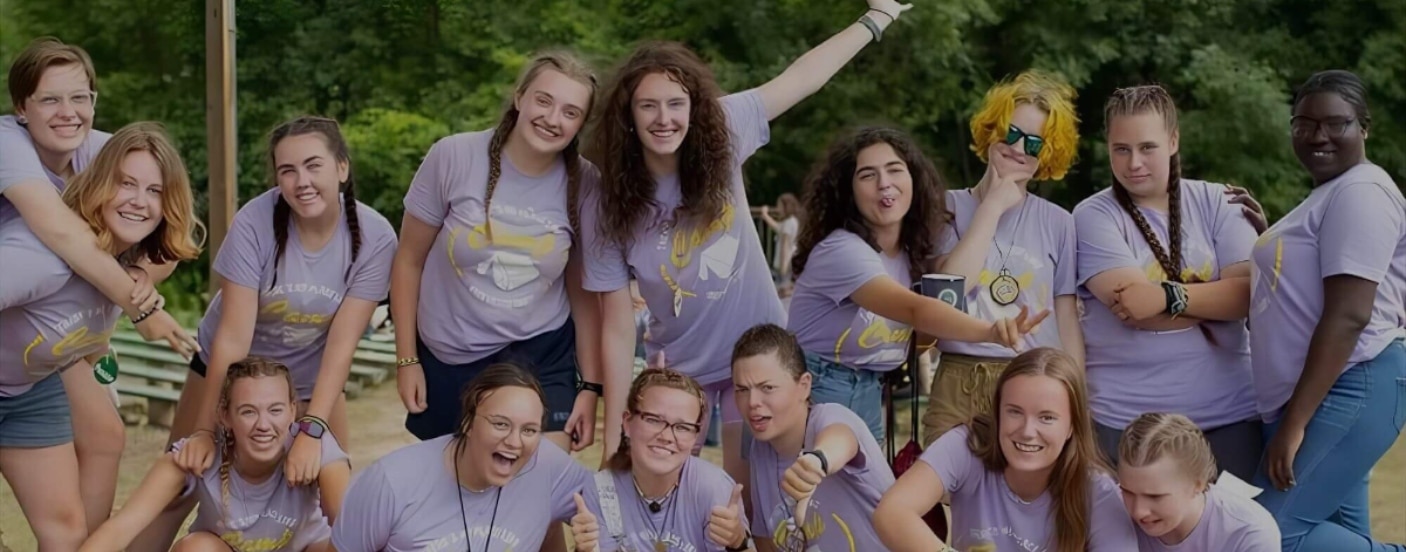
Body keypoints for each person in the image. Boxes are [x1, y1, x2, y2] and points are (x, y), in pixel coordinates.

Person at [583, 1, 917, 499]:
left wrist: (877, 19)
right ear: (628, 115)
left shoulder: (724, 129)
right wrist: (615, 435)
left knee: (749, 501)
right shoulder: (606, 198)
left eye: (676, 103)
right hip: (679, 371)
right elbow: (614, 323)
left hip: (756, 364)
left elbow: (802, 78)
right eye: (648, 106)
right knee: (665, 497)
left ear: (694, 107)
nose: (664, 118)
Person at [134, 116, 398, 550]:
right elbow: (233, 339)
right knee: (180, 484)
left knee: (335, 498)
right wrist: (205, 430)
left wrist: (312, 430)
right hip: (229, 372)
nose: (302, 181)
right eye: (287, 170)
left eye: (313, 165)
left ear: (342, 168)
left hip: (311, 379)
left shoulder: (375, 237)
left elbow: (343, 343)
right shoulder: (255, 222)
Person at [1, 37, 199, 532]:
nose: (68, 112)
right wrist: (143, 308)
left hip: (27, 377)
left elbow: (171, 231)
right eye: (50, 99)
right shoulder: (11, 153)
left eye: (79, 97)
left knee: (99, 451)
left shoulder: (96, 151)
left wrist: (139, 278)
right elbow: (61, 233)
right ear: (21, 108)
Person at [391, 52, 604, 453]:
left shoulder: (586, 184)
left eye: (570, 112)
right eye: (543, 101)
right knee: (461, 482)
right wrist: (407, 360)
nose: (553, 118)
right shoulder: (453, 157)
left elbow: (583, 293)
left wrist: (590, 387)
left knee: (542, 479)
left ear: (581, 123)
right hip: (452, 353)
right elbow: (408, 261)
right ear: (519, 97)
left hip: (541, 352)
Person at [787, 126, 1047, 444]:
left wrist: (992, 205)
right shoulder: (843, 251)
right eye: (867, 175)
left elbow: (956, 280)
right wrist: (991, 332)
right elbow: (917, 310)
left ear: (914, 179)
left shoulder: (910, 254)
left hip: (867, 390)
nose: (884, 183)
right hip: (814, 388)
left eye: (895, 169)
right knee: (815, 477)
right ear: (848, 190)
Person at [1250, 69, 1406, 551]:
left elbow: (1349, 315)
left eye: (1336, 123)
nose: (1318, 136)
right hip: (1325, 390)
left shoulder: (1362, 191)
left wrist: (1295, 423)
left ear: (1364, 127)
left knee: (1264, 534)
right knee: (1340, 537)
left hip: (1351, 385)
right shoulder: (1329, 195)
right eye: (1305, 123)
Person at [1074, 84, 1262, 479]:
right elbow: (1136, 310)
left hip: (1229, 416)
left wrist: (1165, 296)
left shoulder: (1220, 202)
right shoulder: (1093, 216)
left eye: (1147, 147)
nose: (1134, 163)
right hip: (1126, 420)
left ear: (1173, 141)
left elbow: (1248, 296)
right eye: (1121, 149)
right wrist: (1216, 298)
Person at [920, 70, 1085, 447]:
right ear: (992, 129)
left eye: (1034, 143)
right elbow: (948, 292)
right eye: (1011, 133)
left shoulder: (1059, 222)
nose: (1018, 148)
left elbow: (1066, 319)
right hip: (959, 380)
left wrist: (1077, 397)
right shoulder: (944, 207)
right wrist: (992, 207)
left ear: (1048, 153)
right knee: (944, 483)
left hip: (1035, 382)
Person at [876, 348, 1138, 552]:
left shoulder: (1097, 490)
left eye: (1047, 417)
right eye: (1014, 412)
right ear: (997, 413)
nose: (1027, 430)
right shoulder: (967, 444)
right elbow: (891, 513)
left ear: (1072, 426)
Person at [80, 358, 351, 552]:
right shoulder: (198, 456)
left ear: (292, 411)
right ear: (224, 416)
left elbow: (353, 528)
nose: (263, 425)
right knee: (195, 548)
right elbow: (119, 530)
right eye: (248, 411)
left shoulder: (315, 447)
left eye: (275, 410)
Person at [331, 363, 597, 551]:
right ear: (468, 423)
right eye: (500, 424)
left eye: (529, 430)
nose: (515, 442)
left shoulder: (546, 465)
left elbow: (617, 500)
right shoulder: (391, 482)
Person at [731, 324, 894, 551]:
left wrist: (818, 460)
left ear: (804, 386)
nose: (752, 402)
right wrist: (737, 544)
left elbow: (840, 439)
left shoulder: (830, 417)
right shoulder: (760, 448)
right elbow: (766, 540)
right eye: (742, 390)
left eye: (767, 388)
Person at [571, 368, 751, 552]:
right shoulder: (603, 490)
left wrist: (737, 543)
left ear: (695, 437)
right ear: (627, 423)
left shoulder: (713, 487)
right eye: (654, 420)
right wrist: (584, 550)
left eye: (682, 427)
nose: (666, 436)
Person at [1116, 412, 1280, 551]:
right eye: (1127, 491)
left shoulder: (1249, 533)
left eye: (1155, 496)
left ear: (1198, 484)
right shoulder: (1111, 509)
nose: (1138, 511)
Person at [760, 193, 802, 293]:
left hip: (785, 264)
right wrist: (765, 215)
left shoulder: (788, 224)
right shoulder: (792, 222)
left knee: (782, 290)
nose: (778, 210)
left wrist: (782, 266)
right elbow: (777, 227)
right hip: (789, 263)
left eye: (780, 206)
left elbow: (785, 246)